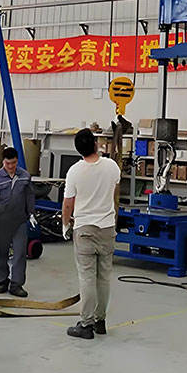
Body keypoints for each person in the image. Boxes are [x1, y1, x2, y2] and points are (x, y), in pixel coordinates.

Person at [62, 127, 121, 340]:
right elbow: (115, 195)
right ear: (96, 144)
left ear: (78, 149)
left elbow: (68, 204)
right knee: (104, 278)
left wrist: (65, 225)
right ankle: (100, 321)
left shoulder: (74, 171)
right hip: (107, 228)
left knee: (87, 278)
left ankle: (86, 324)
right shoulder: (112, 167)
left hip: (85, 229)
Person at [0, 146, 36, 298]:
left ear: (17, 161)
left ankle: (16, 285)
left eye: (13, 163)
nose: (10, 166)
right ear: (3, 162)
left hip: (19, 221)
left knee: (20, 253)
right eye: (7, 163)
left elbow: (29, 196)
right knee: (1, 253)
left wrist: (32, 214)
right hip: (2, 222)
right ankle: (2, 281)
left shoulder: (24, 176)